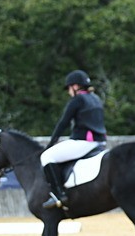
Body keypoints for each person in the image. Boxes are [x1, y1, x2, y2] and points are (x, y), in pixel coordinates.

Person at [40, 70, 108, 209]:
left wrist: (51, 144)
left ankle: (58, 195)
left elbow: (63, 123)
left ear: (75, 86)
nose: (68, 92)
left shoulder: (77, 100)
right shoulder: (95, 98)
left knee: (47, 156)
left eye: (69, 88)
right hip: (100, 142)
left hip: (84, 142)